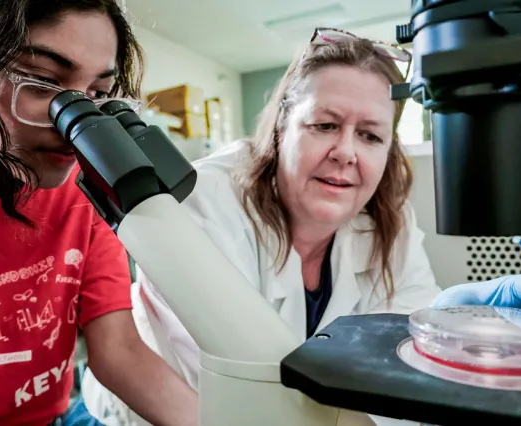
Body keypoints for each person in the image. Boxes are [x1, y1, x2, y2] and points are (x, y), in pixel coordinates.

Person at [82, 28, 441, 426]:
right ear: (282, 128)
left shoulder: (391, 223)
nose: (346, 153)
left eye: (370, 135)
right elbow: (236, 395)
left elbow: (417, 368)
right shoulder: (203, 201)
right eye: (324, 125)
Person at [0, 1, 197, 425]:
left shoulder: (85, 193)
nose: (70, 125)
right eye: (40, 80)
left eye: (95, 95)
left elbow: (121, 352)